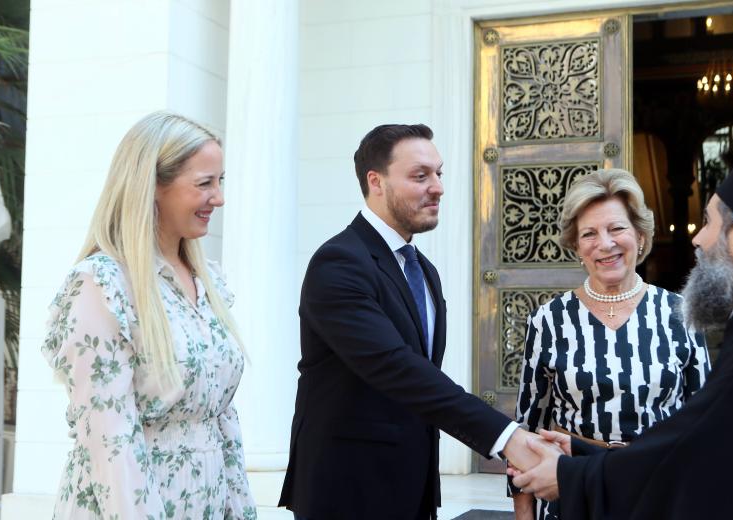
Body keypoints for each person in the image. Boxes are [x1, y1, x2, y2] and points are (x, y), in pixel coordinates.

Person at [278, 124, 552, 520]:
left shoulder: (424, 269)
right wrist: (505, 436)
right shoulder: (338, 263)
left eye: (439, 173)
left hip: (412, 486)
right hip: (348, 488)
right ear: (376, 181)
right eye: (420, 176)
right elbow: (397, 367)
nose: (438, 187)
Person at [510, 142, 733, 519]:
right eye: (589, 234)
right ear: (575, 245)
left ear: (640, 235)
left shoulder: (684, 313)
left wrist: (577, 469)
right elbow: (527, 431)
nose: (605, 244)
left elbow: (699, 433)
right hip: (572, 499)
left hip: (653, 497)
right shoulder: (550, 319)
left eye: (616, 228)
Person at [41, 112, 257, 519]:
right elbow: (109, 439)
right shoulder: (101, 285)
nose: (219, 197)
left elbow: (221, 416)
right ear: (153, 186)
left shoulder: (208, 279)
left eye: (220, 181)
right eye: (204, 183)